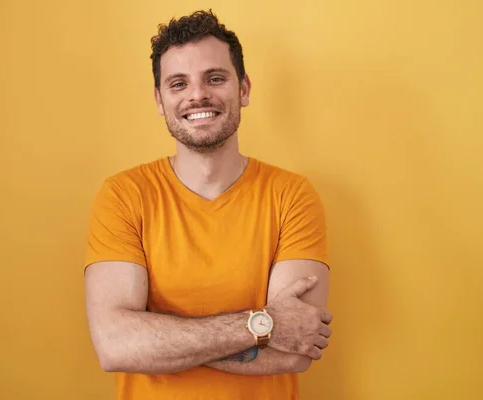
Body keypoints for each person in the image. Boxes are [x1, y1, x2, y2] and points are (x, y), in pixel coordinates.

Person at [83, 9, 333, 400]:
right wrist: (264, 325)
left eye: (215, 78)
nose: (197, 95)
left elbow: (294, 352)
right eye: (178, 84)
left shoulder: (292, 195)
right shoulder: (124, 195)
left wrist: (155, 337)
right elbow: (115, 345)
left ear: (244, 89)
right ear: (160, 101)